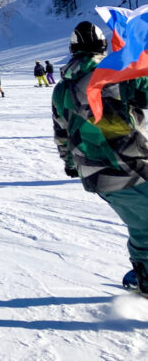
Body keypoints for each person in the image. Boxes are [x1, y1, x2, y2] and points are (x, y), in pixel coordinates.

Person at [52, 21, 148, 294]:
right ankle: (145, 275)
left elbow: (62, 132)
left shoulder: (62, 89)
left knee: (142, 221)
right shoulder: (117, 73)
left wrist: (71, 164)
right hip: (130, 163)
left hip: (96, 172)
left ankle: (143, 271)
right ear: (103, 47)